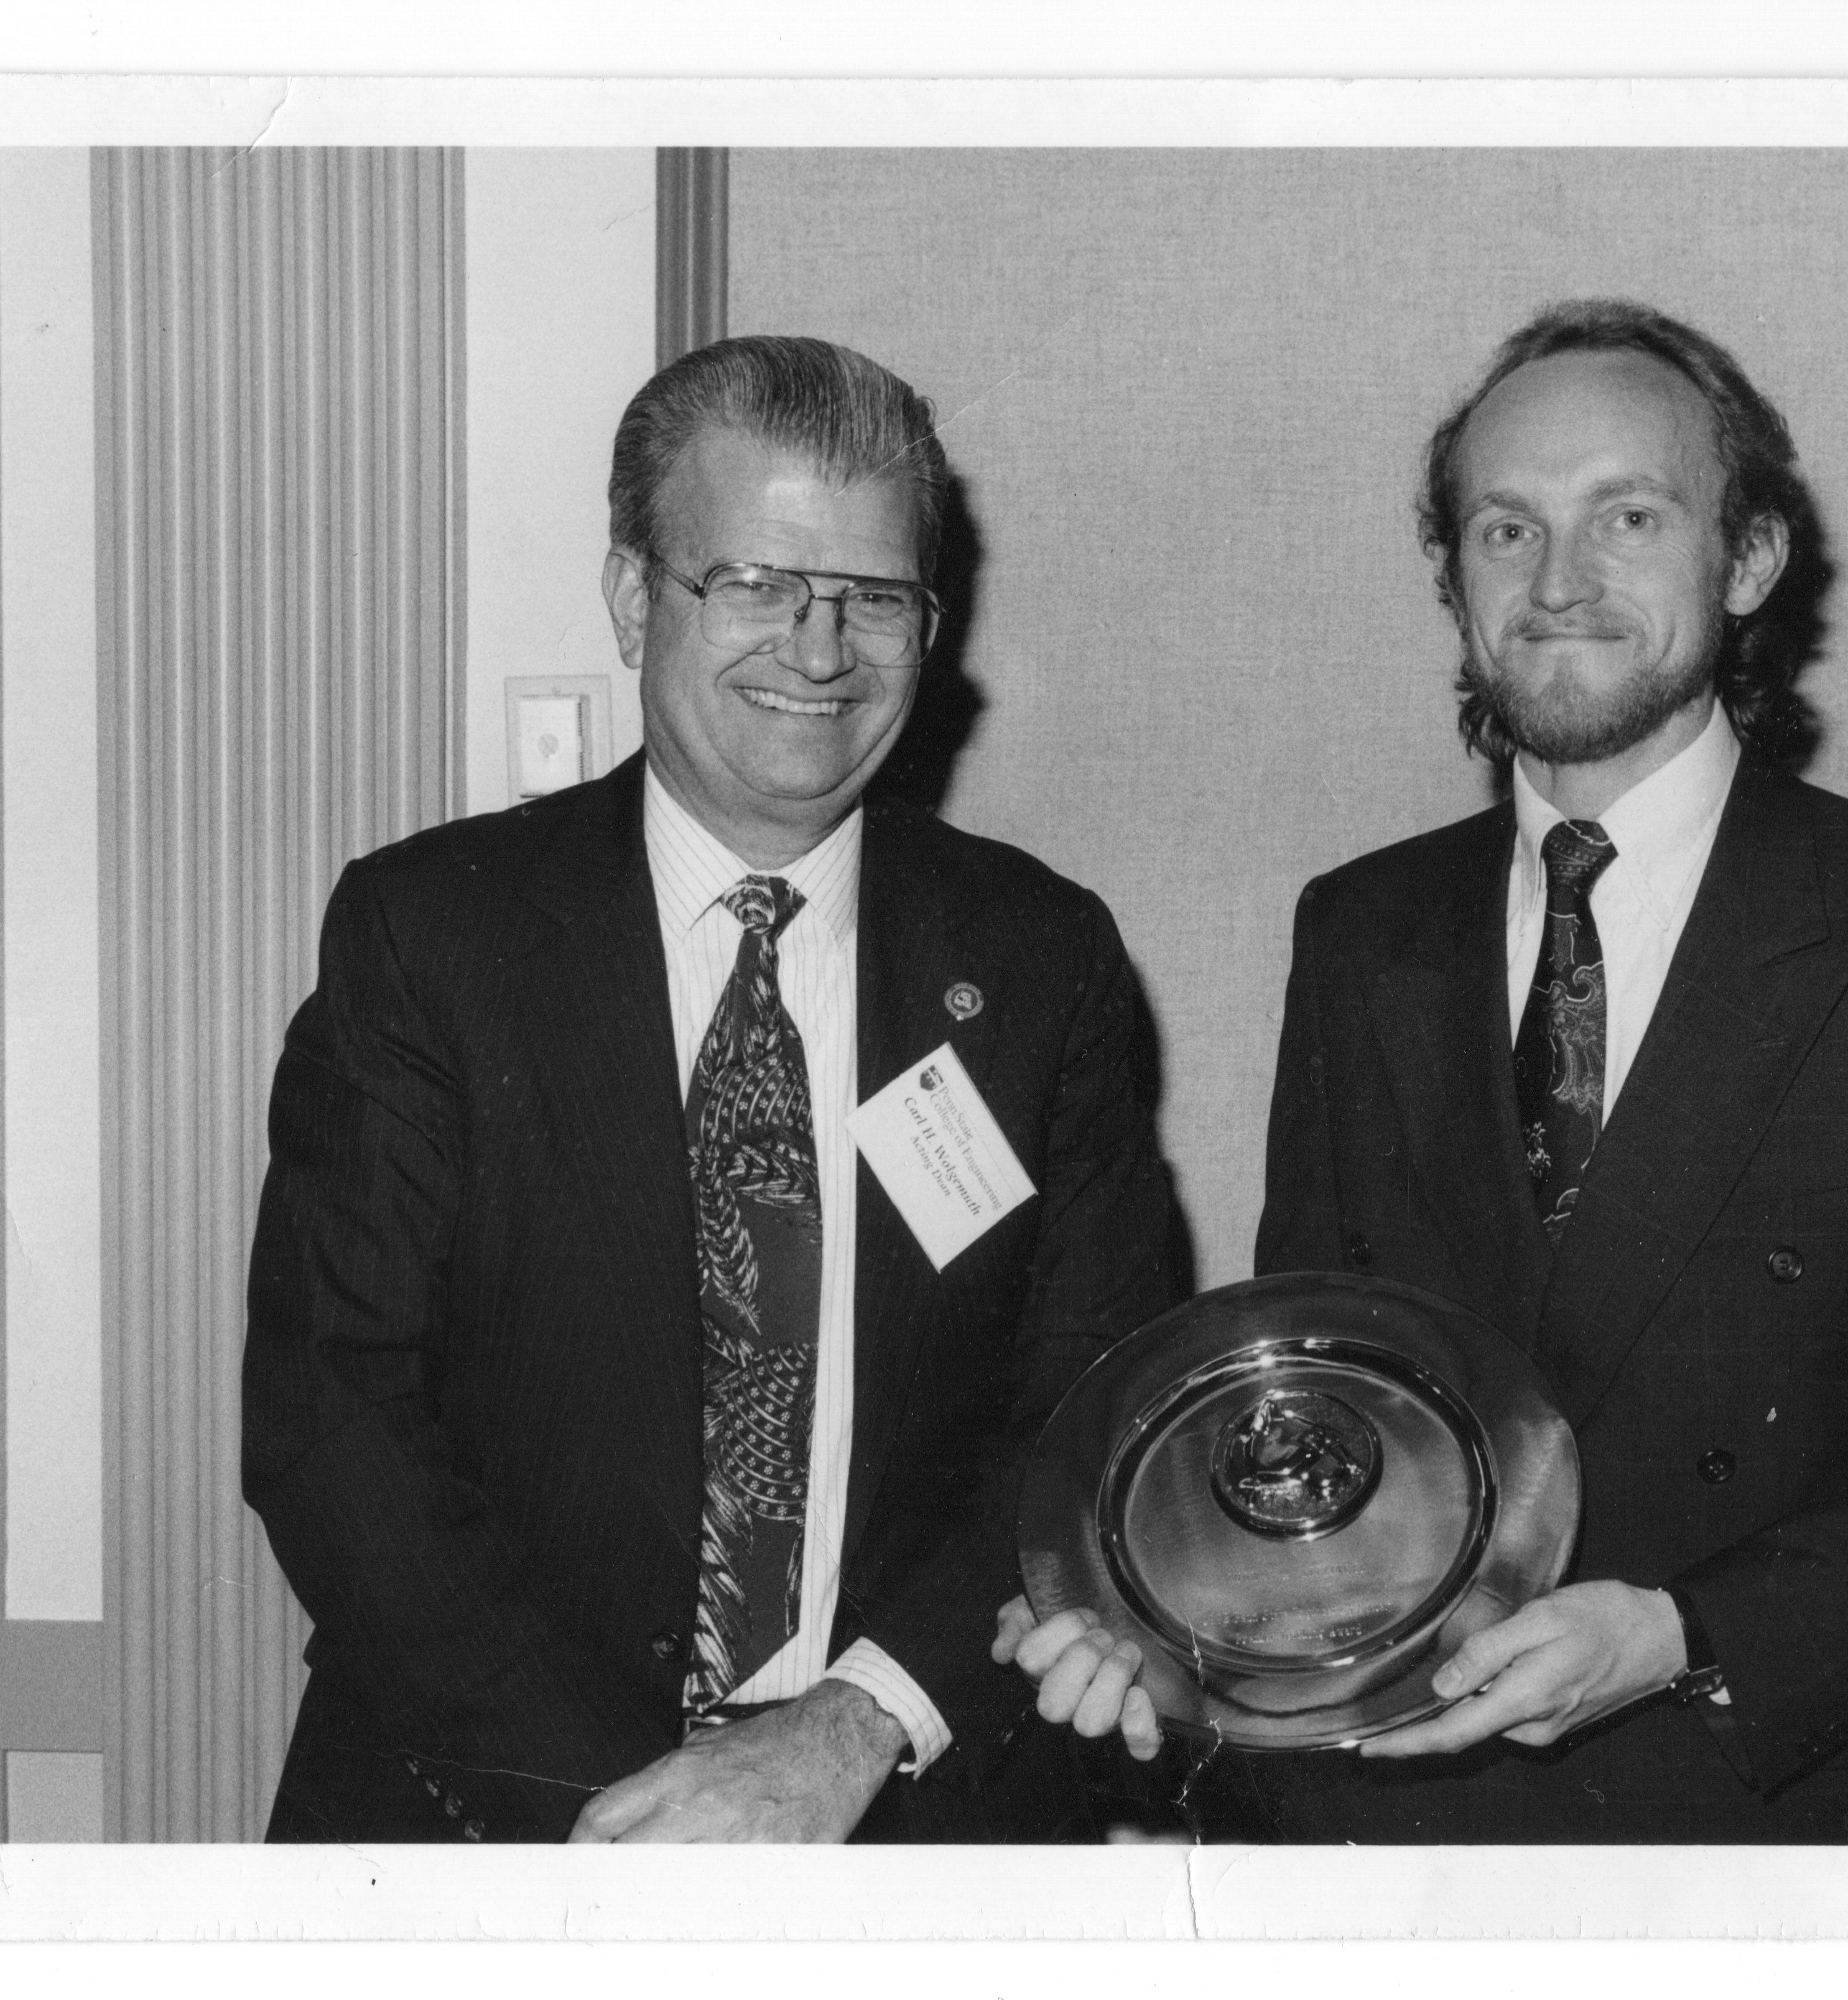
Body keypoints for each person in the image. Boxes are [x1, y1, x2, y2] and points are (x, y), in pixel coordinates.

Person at [1001, 299, 1848, 1842]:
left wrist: (1685, 1638)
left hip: (1764, 1833)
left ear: (1747, 559)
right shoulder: (1359, 928)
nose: (1559, 582)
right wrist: (1167, 1619)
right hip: (1380, 1837)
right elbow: (1331, 1408)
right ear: (1450, 579)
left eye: (1627, 517)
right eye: (1506, 529)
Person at [246, 335, 1186, 1844]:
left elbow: (1087, 1405)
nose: (817, 652)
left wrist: (851, 1728)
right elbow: (330, 1418)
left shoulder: (1038, 958)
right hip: (488, 1808)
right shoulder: (435, 934)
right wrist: (640, 1817)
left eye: (873, 597)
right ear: (636, 600)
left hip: (895, 1806)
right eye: (752, 582)